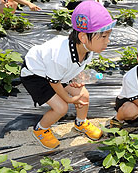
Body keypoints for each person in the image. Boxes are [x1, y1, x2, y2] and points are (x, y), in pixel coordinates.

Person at [20, 1, 116, 149]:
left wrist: (75, 79)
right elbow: (54, 81)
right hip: (35, 75)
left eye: (108, 36)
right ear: (83, 37)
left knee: (83, 95)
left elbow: (72, 70)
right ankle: (41, 129)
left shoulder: (86, 50)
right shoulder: (61, 56)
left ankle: (80, 122)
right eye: (103, 37)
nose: (107, 41)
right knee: (61, 108)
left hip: (56, 73)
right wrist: (68, 98)